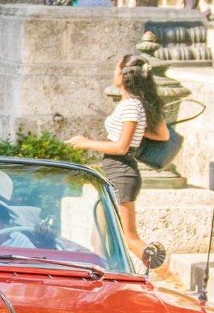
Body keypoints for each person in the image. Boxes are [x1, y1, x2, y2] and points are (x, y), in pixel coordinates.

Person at [66, 54, 185, 290]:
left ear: (124, 75)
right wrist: (138, 132)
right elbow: (162, 134)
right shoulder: (134, 104)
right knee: (98, 236)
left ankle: (172, 279)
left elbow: (121, 147)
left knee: (130, 238)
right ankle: (98, 283)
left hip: (121, 172)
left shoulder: (132, 106)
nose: (113, 73)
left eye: (116, 69)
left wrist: (86, 142)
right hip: (113, 172)